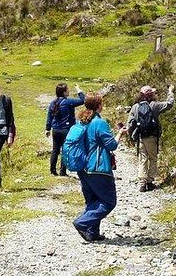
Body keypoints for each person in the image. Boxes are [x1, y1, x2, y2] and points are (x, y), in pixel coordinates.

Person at [73, 93, 128, 242]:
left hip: (83, 167)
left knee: (92, 201)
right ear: (98, 106)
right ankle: (82, 223)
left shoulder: (81, 122)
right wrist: (120, 133)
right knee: (108, 201)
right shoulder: (99, 123)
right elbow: (112, 145)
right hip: (98, 167)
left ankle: (92, 233)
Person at [127, 84, 174, 192]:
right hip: (152, 137)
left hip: (141, 137)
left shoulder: (135, 107)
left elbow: (130, 123)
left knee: (143, 159)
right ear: (151, 95)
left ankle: (142, 183)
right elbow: (169, 104)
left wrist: (131, 137)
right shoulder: (155, 105)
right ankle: (150, 181)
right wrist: (170, 91)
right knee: (153, 159)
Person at [45, 83, 85, 176]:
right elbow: (83, 100)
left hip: (55, 130)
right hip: (66, 130)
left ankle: (52, 171)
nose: (69, 91)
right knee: (65, 150)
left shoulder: (53, 103)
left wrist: (47, 129)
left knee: (55, 149)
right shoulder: (68, 102)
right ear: (64, 92)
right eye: (67, 90)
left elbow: (49, 116)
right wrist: (79, 90)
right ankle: (63, 171)